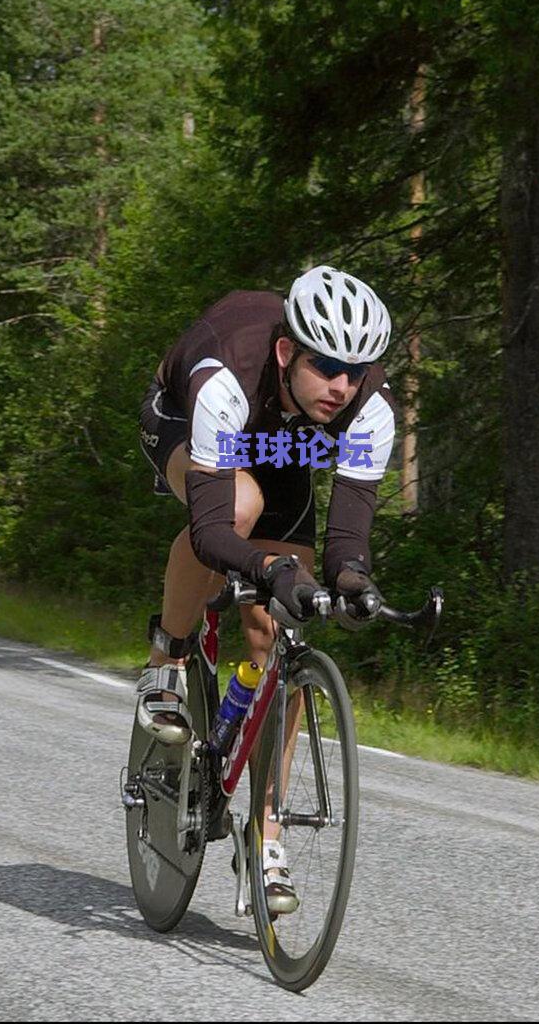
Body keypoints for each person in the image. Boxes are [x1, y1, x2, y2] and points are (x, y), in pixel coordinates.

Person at [134, 264, 395, 914]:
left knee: (274, 630)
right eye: (326, 365)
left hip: (282, 449)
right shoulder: (227, 372)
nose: (342, 385)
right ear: (287, 351)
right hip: (186, 424)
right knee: (240, 506)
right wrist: (268, 568)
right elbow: (214, 531)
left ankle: (265, 831)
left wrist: (354, 583)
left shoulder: (369, 406)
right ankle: (166, 663)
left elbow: (346, 544)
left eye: (356, 372)